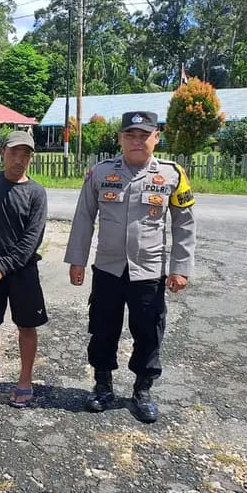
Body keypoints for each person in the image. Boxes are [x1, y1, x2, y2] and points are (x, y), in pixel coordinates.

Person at [64, 111, 196, 423]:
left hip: (148, 271)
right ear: (121, 138)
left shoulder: (173, 174)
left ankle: (142, 390)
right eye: (130, 135)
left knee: (148, 331)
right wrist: (77, 260)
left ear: (156, 137)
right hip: (108, 268)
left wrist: (181, 267)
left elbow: (185, 225)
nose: (137, 141)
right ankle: (102, 385)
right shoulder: (100, 172)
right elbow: (84, 218)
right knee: (102, 328)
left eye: (143, 135)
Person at [0, 130, 48, 408]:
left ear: (31, 157)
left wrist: (3, 267)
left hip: (22, 272)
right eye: (14, 152)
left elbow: (32, 239)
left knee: (27, 327)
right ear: (2, 152)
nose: (19, 159)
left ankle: (25, 380)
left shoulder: (36, 193)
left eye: (25, 154)